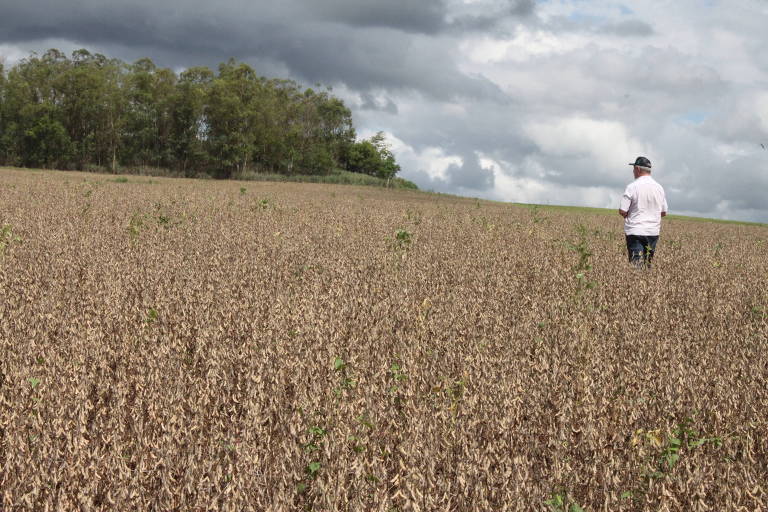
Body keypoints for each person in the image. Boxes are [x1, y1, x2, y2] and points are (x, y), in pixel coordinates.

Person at [619, 156, 668, 268]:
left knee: (636, 265)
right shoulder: (659, 188)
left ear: (638, 169)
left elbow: (622, 210)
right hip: (653, 232)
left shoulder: (632, 187)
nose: (633, 172)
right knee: (647, 265)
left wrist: (628, 214)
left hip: (635, 231)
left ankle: (636, 284)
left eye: (633, 169)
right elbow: (664, 212)